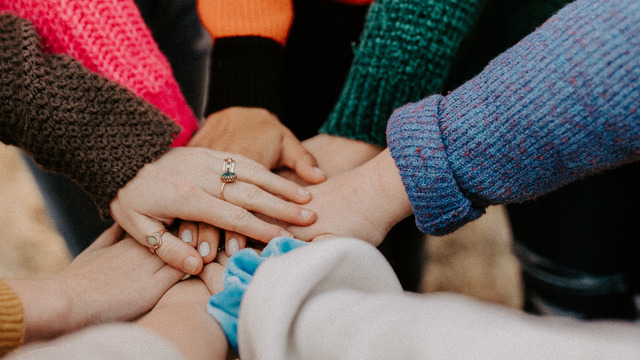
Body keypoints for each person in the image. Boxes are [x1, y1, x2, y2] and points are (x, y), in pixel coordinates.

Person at [0, 13, 316, 274]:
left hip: (174, 13)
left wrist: (243, 75)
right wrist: (108, 143)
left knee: (186, 176)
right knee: (129, 262)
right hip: (42, 45)